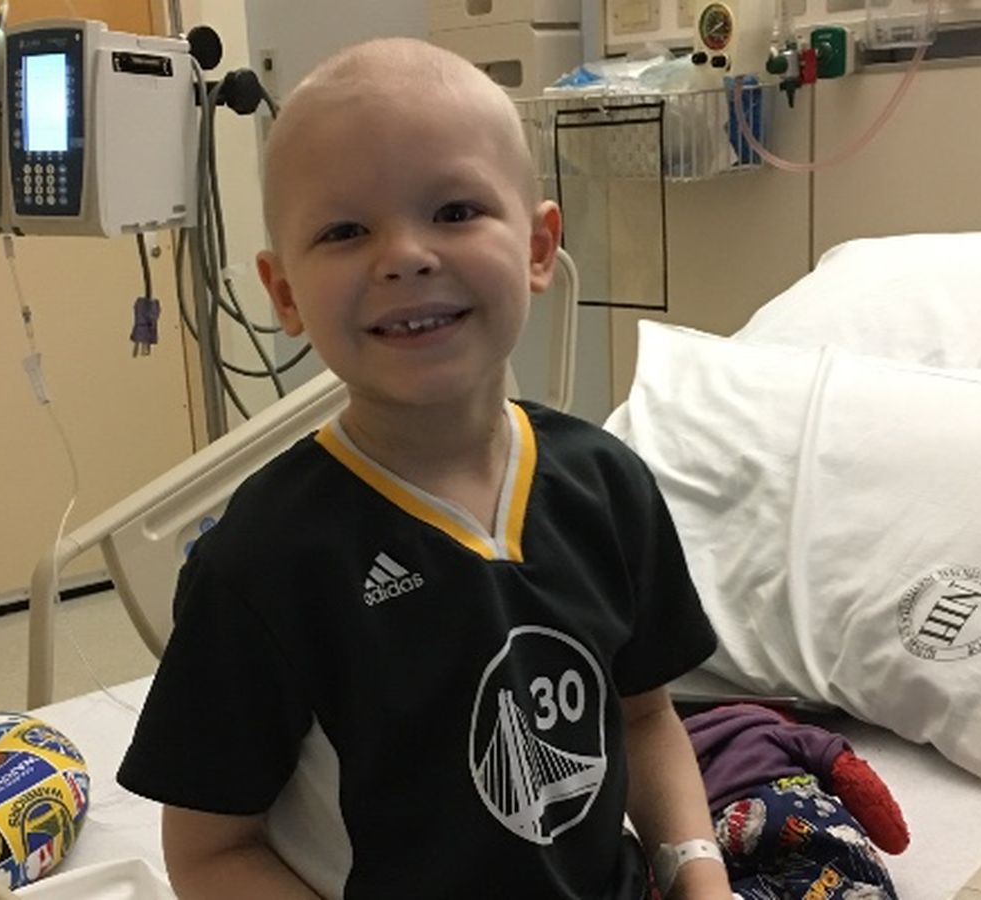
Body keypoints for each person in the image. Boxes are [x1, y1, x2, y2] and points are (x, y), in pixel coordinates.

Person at [117, 36, 733, 900]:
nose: (405, 255)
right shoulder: (263, 564)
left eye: (454, 210)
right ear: (284, 293)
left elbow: (643, 717)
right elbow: (211, 854)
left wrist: (696, 870)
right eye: (345, 230)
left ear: (539, 247)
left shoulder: (607, 487)